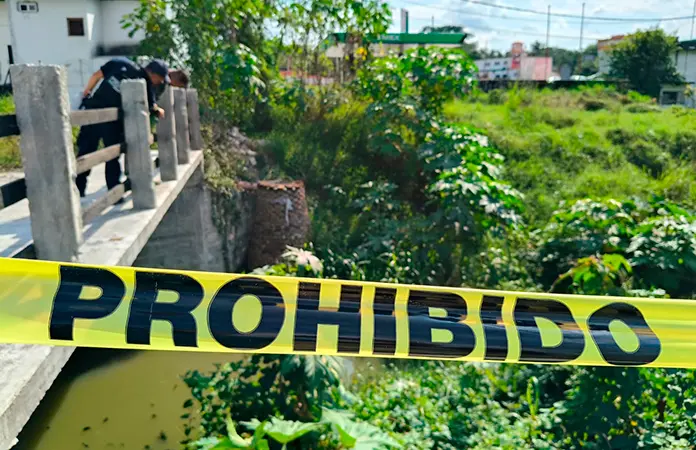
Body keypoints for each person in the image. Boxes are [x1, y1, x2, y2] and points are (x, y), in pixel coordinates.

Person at [75, 57, 169, 197]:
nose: (160, 83)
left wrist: (87, 92)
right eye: (160, 79)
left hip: (93, 111)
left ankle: (78, 190)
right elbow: (150, 107)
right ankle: (114, 193)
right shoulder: (144, 83)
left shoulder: (120, 63)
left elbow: (96, 75)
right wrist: (159, 110)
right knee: (112, 155)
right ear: (153, 74)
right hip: (112, 122)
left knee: (86, 151)